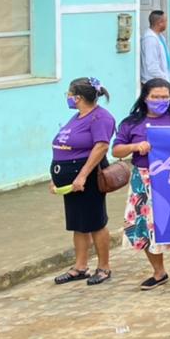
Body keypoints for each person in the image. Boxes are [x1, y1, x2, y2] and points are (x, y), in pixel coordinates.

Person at [112, 78, 170, 288]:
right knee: (145, 224)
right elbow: (116, 150)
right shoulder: (132, 123)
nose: (161, 101)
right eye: (156, 97)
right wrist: (135, 147)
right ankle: (159, 272)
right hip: (144, 178)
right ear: (145, 97)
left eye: (165, 97)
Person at [50, 77, 115, 286]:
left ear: (77, 97)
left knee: (96, 222)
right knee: (78, 224)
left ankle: (104, 267)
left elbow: (101, 147)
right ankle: (80, 266)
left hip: (87, 178)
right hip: (69, 181)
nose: (67, 97)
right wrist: (56, 178)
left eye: (69, 93)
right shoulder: (78, 117)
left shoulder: (100, 118)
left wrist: (82, 175)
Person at [139, 9, 170, 84]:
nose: (166, 23)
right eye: (165, 21)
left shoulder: (160, 37)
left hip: (161, 81)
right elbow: (152, 66)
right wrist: (164, 78)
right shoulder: (150, 39)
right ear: (159, 23)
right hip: (154, 83)